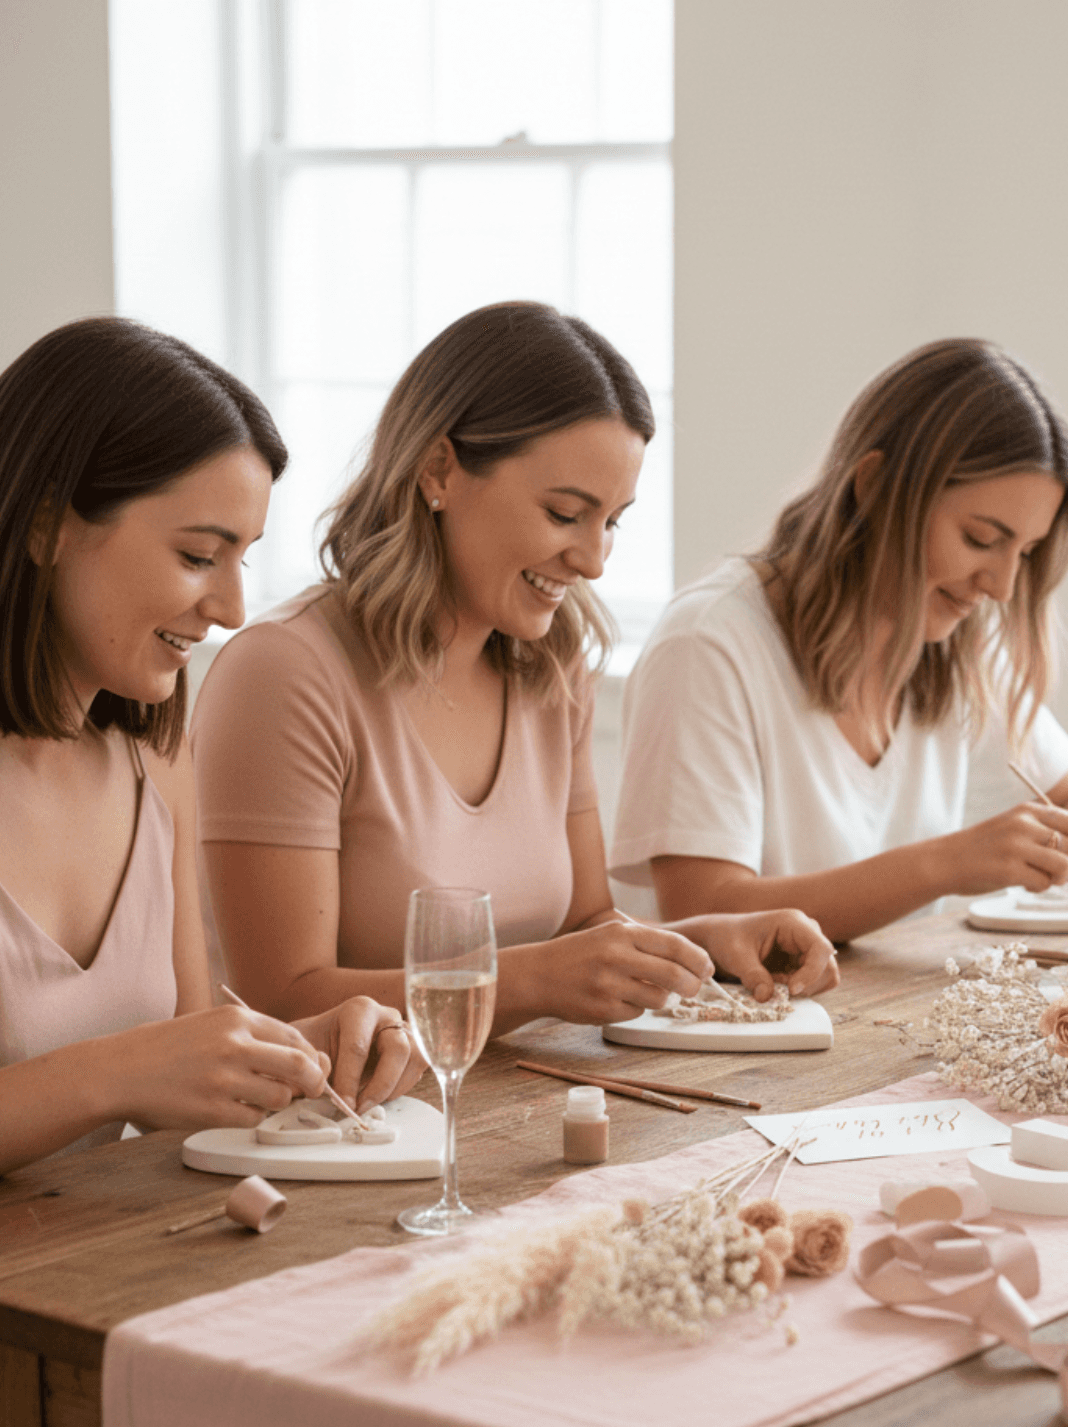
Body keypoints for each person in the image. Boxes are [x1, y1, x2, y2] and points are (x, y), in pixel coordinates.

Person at [191, 302, 838, 1032]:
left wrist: (707, 941)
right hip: (345, 1131)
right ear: (440, 469)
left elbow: (584, 926)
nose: (593, 559)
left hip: (519, 1109)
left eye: (612, 521)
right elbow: (282, 1000)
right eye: (566, 514)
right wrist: (522, 983)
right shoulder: (284, 674)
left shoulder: (550, 667)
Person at [0, 319, 417, 1174]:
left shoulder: (154, 761)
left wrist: (301, 1049)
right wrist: (114, 1074)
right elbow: (136, 1070)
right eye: (198, 556)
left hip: (87, 1268)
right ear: (46, 524)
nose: (230, 607)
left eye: (244, 561)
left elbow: (179, 1065)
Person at [609, 338, 1068, 942]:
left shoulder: (959, 648)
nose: (1003, 586)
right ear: (874, 486)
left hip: (882, 1022)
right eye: (982, 539)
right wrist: (945, 865)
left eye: (1026, 553)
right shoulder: (709, 645)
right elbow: (704, 910)